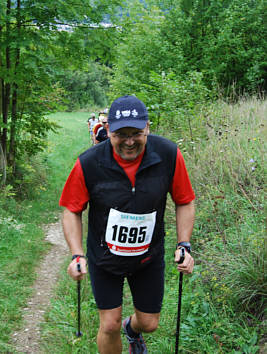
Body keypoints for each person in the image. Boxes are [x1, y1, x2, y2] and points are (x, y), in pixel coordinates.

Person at [59, 95, 195, 354]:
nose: (129, 141)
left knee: (149, 323)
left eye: (136, 133)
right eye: (121, 133)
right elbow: (71, 210)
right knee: (108, 325)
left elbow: (185, 201)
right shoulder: (89, 163)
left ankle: (132, 330)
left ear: (148, 128)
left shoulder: (168, 155)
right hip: (105, 258)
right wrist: (77, 253)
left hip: (147, 257)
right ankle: (118, 331)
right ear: (108, 130)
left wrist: (184, 244)